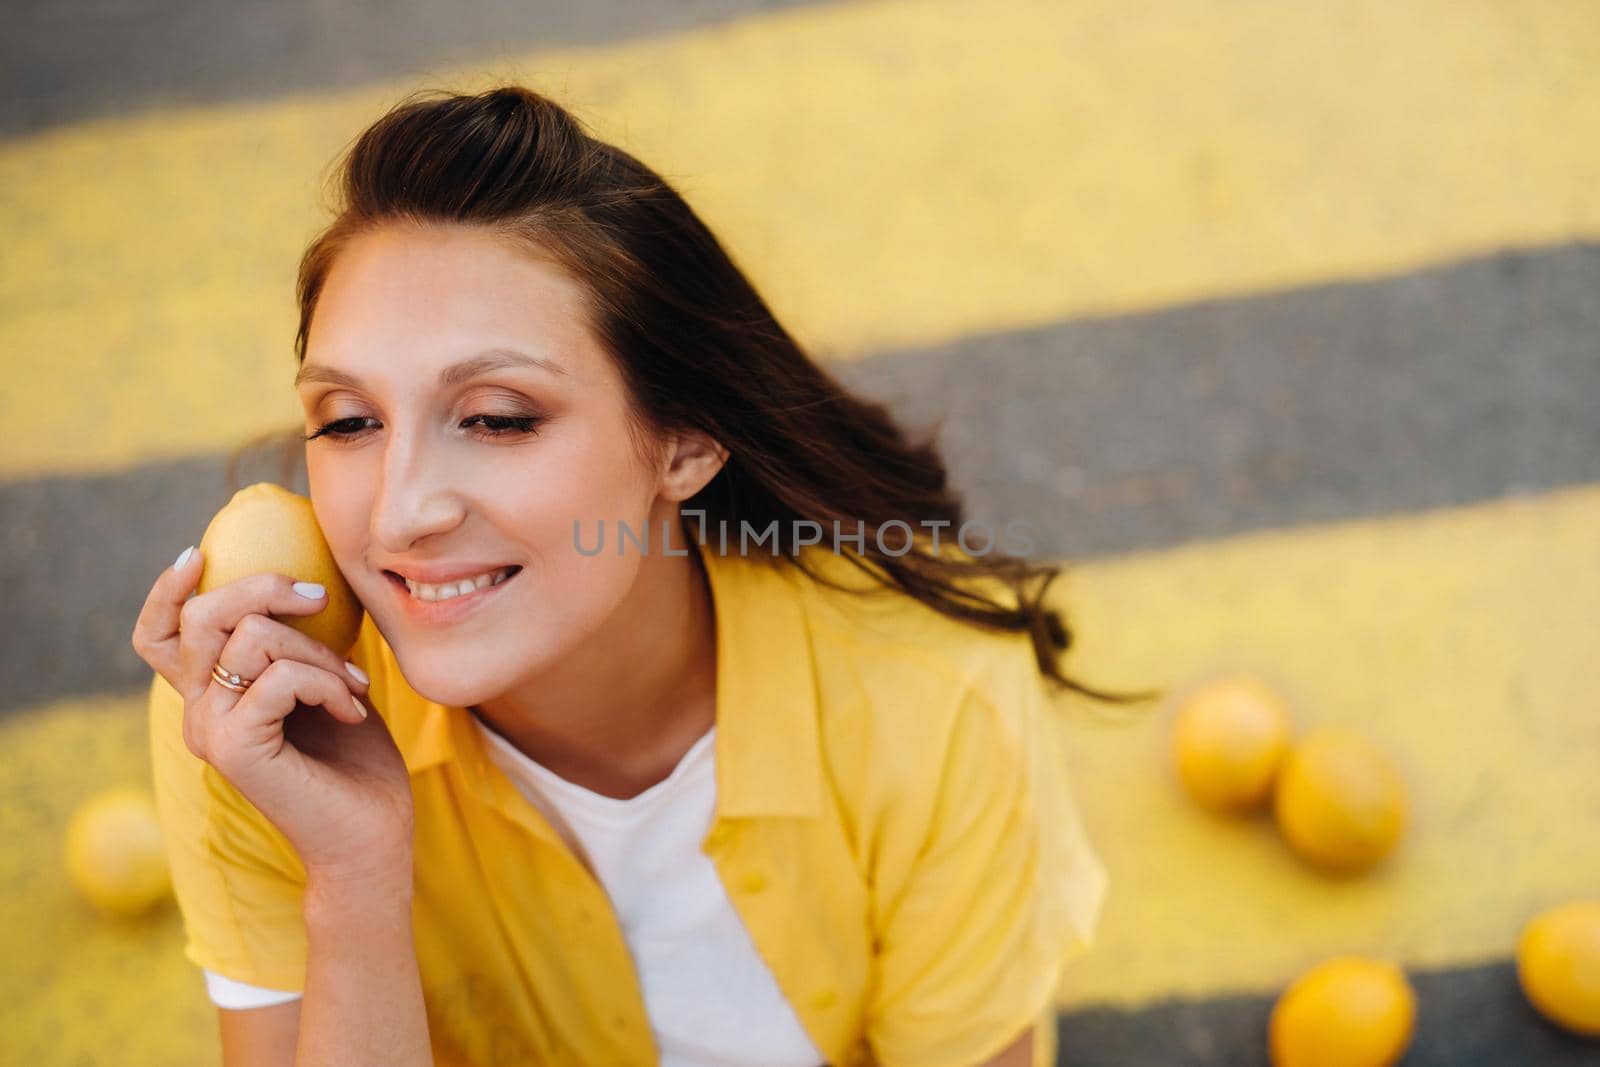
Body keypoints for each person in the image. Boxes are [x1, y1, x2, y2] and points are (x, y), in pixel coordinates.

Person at [131, 85, 1153, 1067]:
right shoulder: (258, 723)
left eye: (496, 416)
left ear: (684, 440)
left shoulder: (929, 697)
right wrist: (352, 879)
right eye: (349, 421)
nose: (400, 512)